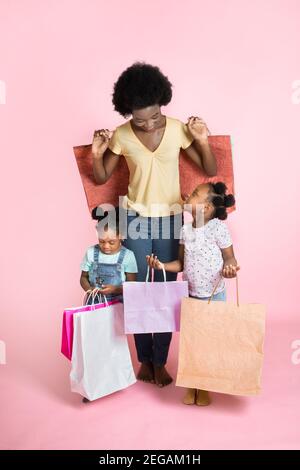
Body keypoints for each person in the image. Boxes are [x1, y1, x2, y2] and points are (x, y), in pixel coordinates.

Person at [92, 62, 217, 387]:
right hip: (133, 219)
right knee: (135, 289)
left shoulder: (177, 129)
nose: (148, 125)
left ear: (163, 105)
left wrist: (201, 139)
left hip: (169, 219)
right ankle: (143, 360)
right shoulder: (121, 135)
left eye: (155, 117)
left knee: (165, 290)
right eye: (139, 119)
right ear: (127, 113)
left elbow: (208, 168)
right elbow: (101, 176)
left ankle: (159, 361)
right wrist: (97, 154)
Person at [147, 182, 240, 405]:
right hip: (191, 294)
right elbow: (180, 263)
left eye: (196, 194)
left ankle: (205, 386)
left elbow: (230, 257)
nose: (189, 194)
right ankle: (191, 384)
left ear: (206, 208)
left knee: (208, 342)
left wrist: (231, 268)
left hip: (213, 295)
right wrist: (159, 265)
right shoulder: (185, 230)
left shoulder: (217, 228)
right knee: (192, 343)